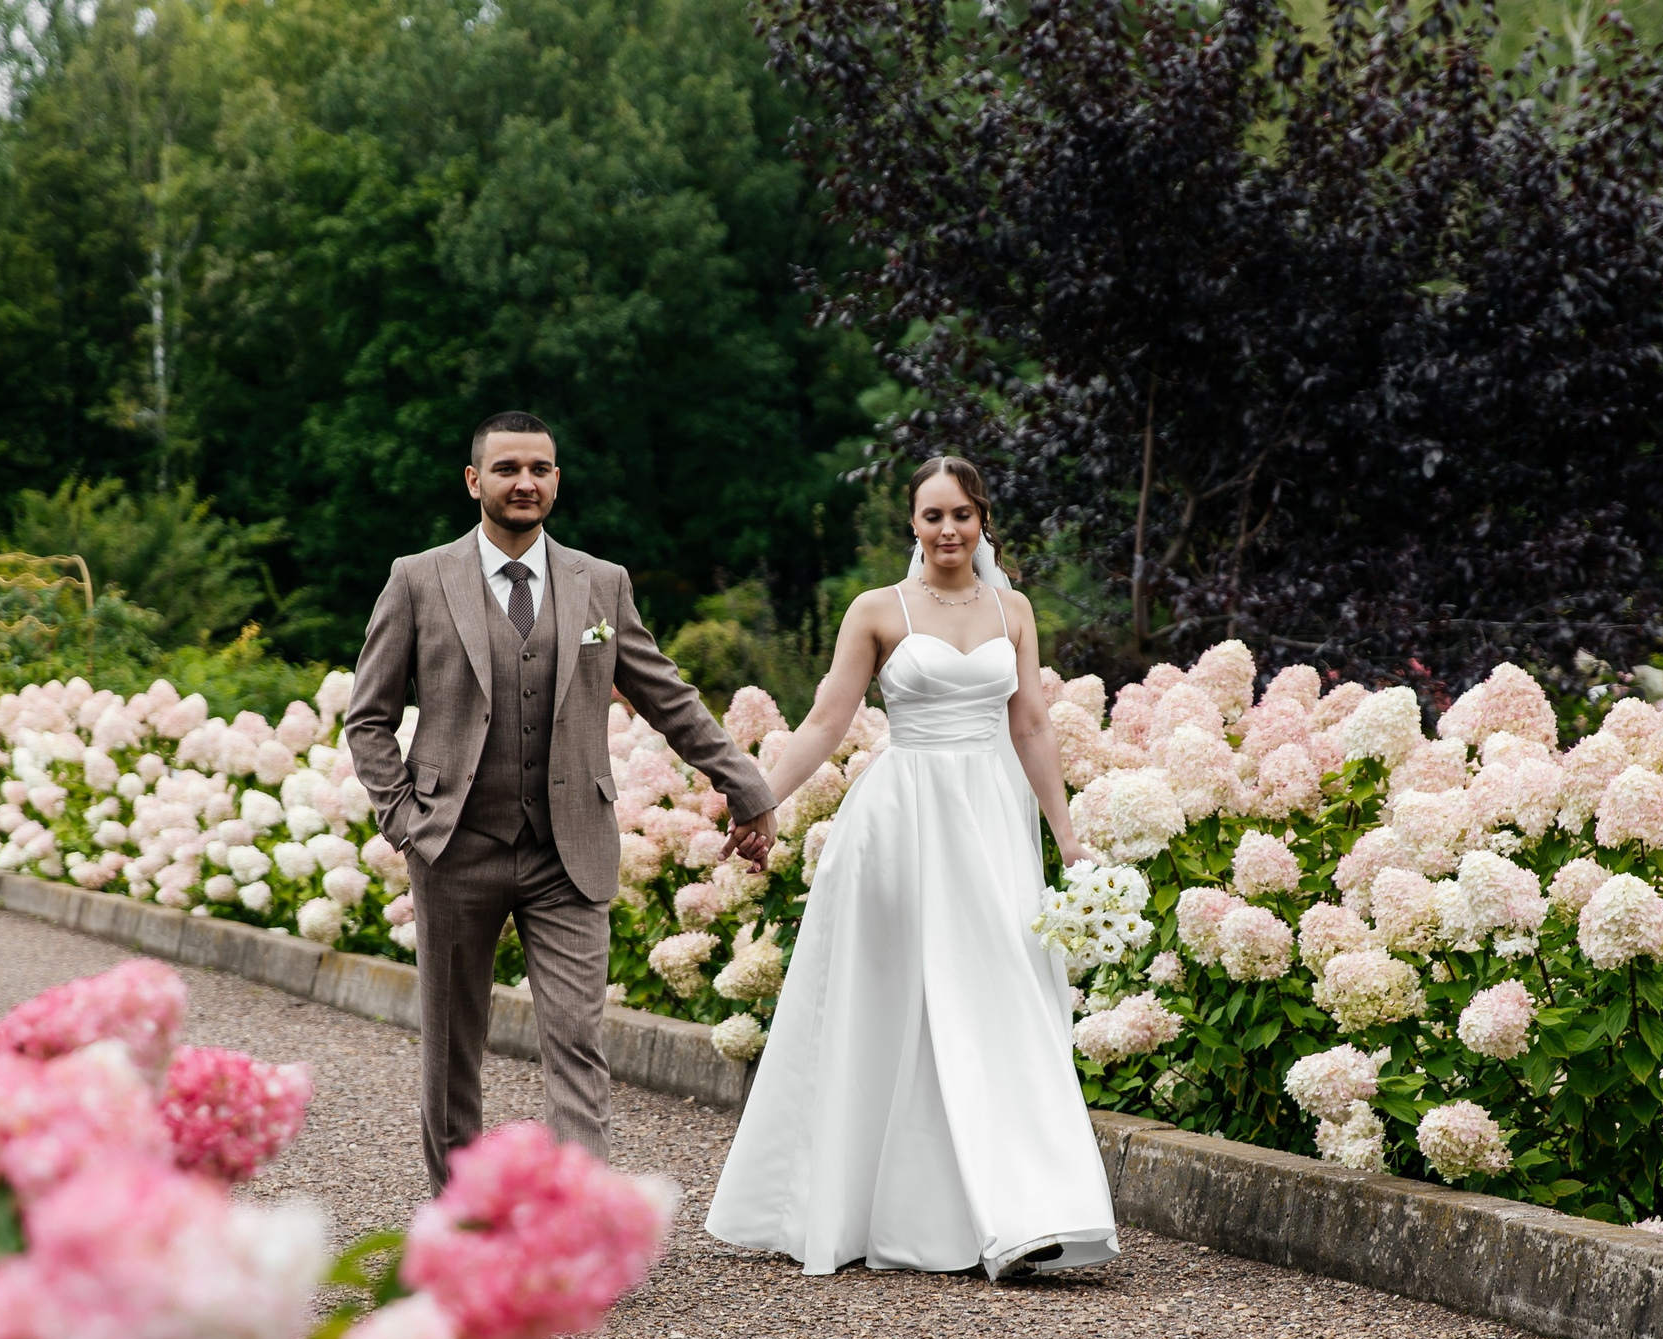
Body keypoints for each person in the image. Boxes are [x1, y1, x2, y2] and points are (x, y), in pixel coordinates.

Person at [705, 456, 1119, 1279]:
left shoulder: (1013, 610)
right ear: (913, 523)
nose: (948, 529)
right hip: (900, 822)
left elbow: (1033, 726)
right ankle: (874, 1208)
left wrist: (1066, 836)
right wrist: (760, 800)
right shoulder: (876, 610)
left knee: (1003, 997)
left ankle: (1027, 1212)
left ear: (982, 519)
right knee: (895, 1003)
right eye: (933, 515)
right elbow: (826, 721)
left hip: (991, 823)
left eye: (962, 513)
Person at [345, 411, 777, 1189]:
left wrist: (745, 784)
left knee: (577, 1042)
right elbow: (368, 718)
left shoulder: (599, 583)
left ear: (556, 479)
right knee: (452, 1052)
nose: (525, 482)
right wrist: (405, 819)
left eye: (539, 468)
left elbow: (667, 696)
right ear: (474, 480)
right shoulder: (417, 579)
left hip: (567, 851)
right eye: (507, 468)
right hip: (454, 847)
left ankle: (581, 1219)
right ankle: (461, 1215)